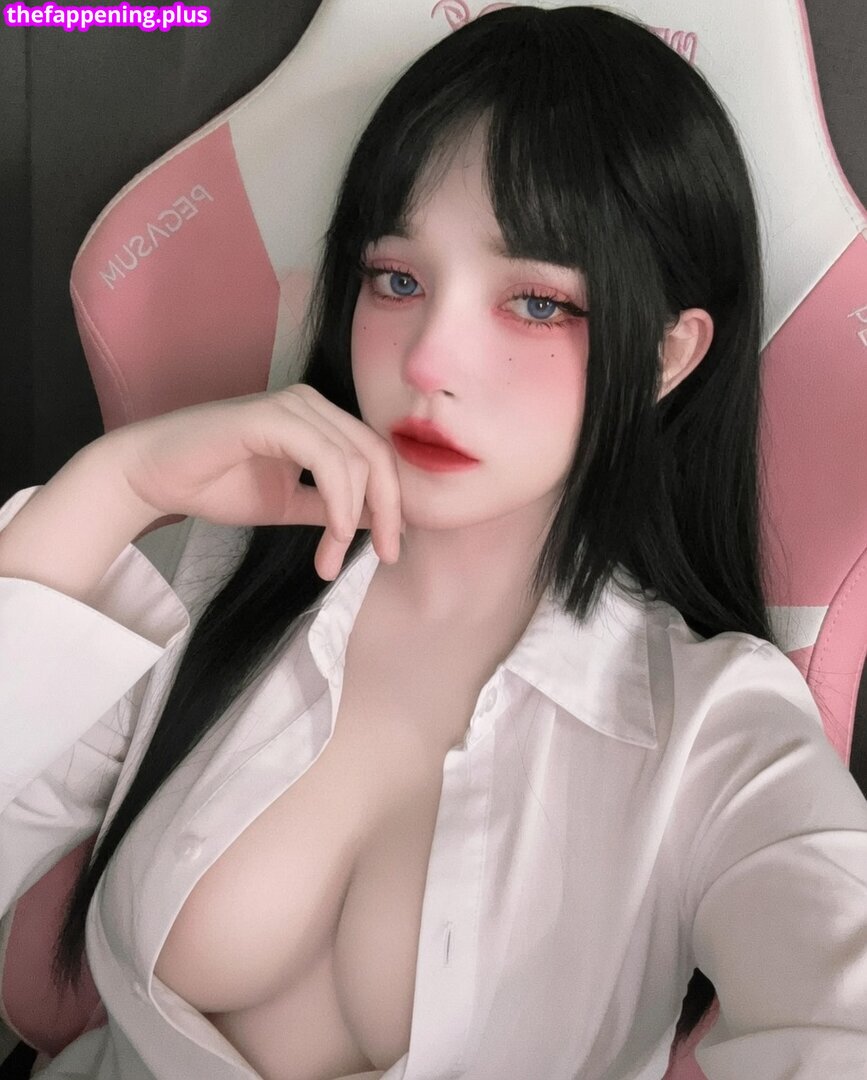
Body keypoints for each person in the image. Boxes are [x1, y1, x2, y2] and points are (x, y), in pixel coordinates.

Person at [1, 5, 866, 1079]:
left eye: (538, 303)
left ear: (665, 355)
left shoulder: (714, 728)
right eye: (398, 281)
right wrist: (113, 488)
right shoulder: (207, 576)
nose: (427, 361)